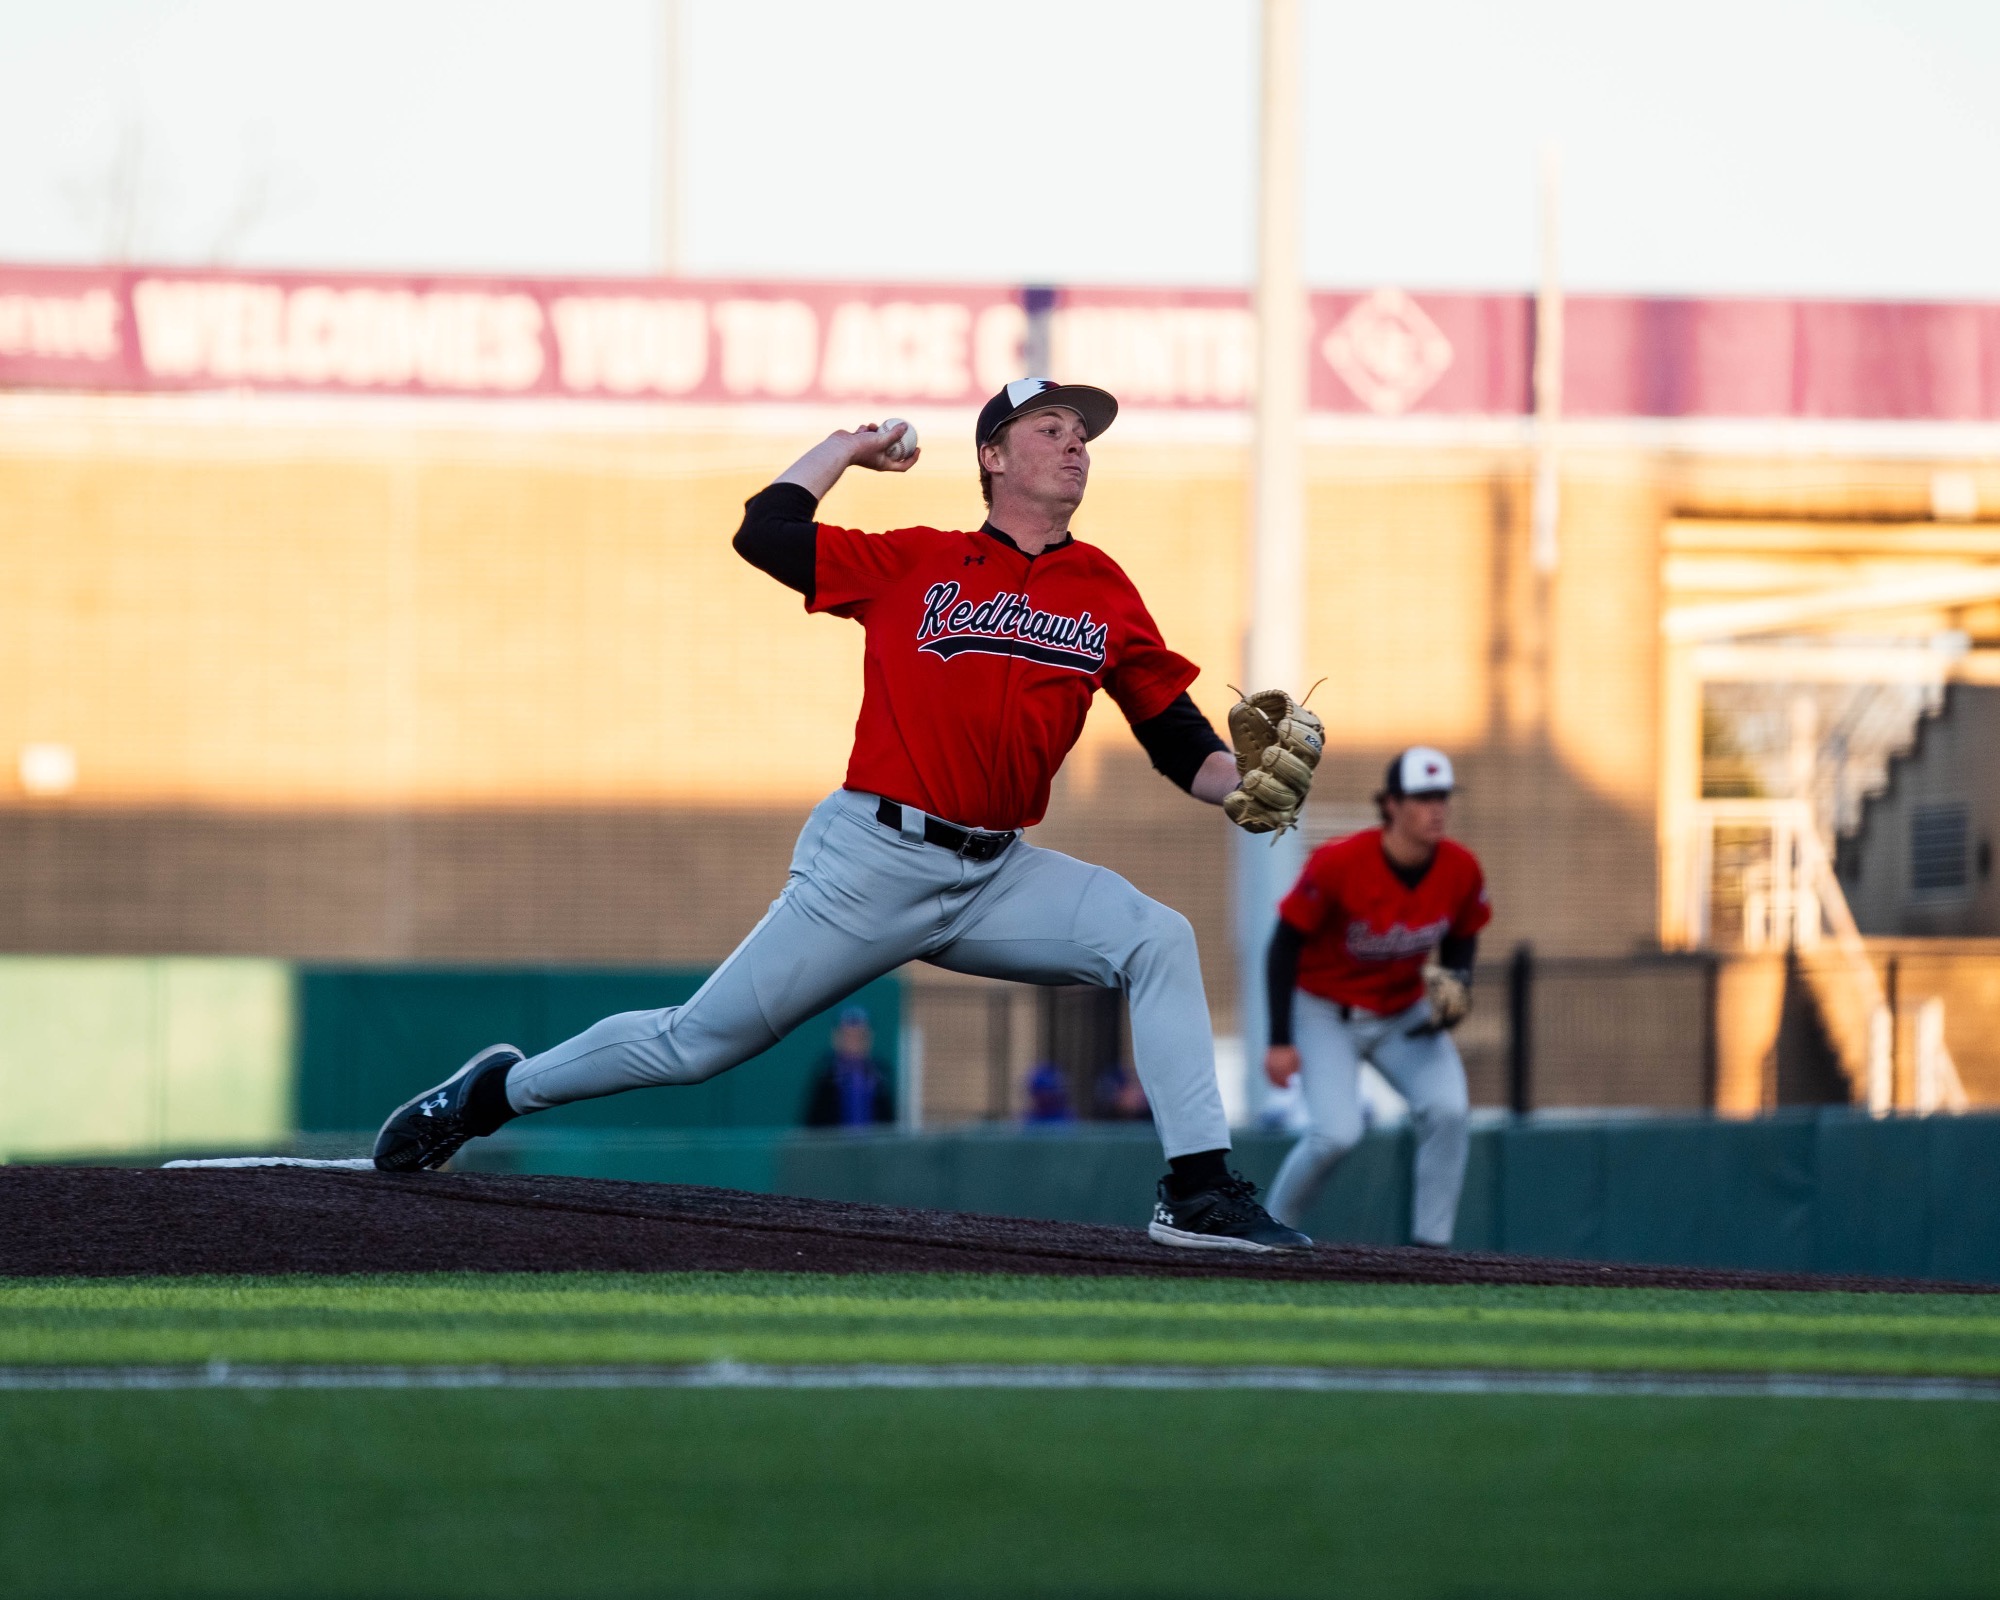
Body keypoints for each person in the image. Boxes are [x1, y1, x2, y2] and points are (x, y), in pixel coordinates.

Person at [373, 378, 1316, 1253]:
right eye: (1052, 430)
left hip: (999, 875)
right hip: (873, 858)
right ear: (992, 455)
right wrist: (846, 446)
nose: (1076, 449)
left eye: (1084, 438)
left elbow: (1169, 730)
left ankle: (1196, 1190)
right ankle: (493, 1094)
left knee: (1158, 937)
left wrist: (1233, 785)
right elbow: (765, 531)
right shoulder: (914, 560)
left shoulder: (1103, 587)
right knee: (696, 1044)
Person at [1262, 747, 1491, 1247]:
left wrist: (1456, 984)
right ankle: (1267, 1232)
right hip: (1327, 1011)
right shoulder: (1340, 862)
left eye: (1442, 797)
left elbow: (1464, 930)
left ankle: (1431, 1247)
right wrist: (1279, 1038)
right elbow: (1284, 943)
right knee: (1336, 1135)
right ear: (1390, 804)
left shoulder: (1460, 868)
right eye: (1423, 797)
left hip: (1401, 1012)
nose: (1437, 809)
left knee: (1449, 1110)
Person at [801, 1006, 896, 1128]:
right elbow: (814, 1123)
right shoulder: (825, 1073)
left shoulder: (880, 1074)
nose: (854, 1042)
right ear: (836, 1037)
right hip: (834, 1145)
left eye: (860, 1036)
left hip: (873, 1145)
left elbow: (889, 1121)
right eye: (848, 1036)